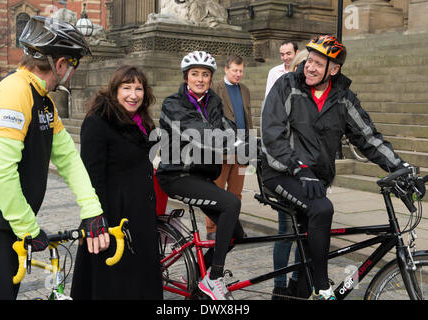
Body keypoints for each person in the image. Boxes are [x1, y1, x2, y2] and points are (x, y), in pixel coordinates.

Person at [261, 35, 413, 300]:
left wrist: (401, 166)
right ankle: (321, 288)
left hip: (315, 179)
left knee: (311, 243)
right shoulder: (288, 86)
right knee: (322, 208)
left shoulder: (342, 97)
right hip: (280, 172)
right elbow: (272, 135)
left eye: (318, 64)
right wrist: (300, 169)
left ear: (334, 69)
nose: (309, 67)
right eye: (309, 60)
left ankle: (301, 289)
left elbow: (368, 137)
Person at [0, 16, 109, 300]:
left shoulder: (43, 101)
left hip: (8, 228)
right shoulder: (14, 92)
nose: (72, 73)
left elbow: (68, 158)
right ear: (61, 64)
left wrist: (91, 209)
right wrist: (28, 227)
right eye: (73, 65)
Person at [156, 51, 247, 300]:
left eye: (205, 74)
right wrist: (232, 142)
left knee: (235, 235)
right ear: (186, 77)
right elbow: (201, 130)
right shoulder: (173, 104)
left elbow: (226, 126)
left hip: (201, 176)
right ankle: (215, 278)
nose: (200, 79)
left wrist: (251, 143)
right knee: (232, 203)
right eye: (195, 74)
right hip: (176, 176)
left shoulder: (214, 102)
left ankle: (198, 275)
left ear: (210, 78)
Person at [70, 65, 163, 300]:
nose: (134, 94)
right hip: (112, 218)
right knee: (113, 284)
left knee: (140, 282)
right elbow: (91, 179)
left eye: (139, 88)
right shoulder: (98, 123)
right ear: (114, 90)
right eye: (127, 87)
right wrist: (97, 221)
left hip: (141, 216)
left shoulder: (142, 122)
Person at [271, 48, 309, 300]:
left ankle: (297, 281)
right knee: (286, 232)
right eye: (304, 65)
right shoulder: (285, 90)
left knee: (305, 234)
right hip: (287, 172)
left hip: (311, 175)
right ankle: (280, 286)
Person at [205, 55, 253, 241]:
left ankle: (233, 226)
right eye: (235, 70)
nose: (238, 74)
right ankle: (212, 228)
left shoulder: (245, 90)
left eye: (241, 71)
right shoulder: (215, 88)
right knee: (216, 190)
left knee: (236, 192)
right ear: (226, 69)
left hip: (241, 150)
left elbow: (247, 117)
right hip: (222, 150)